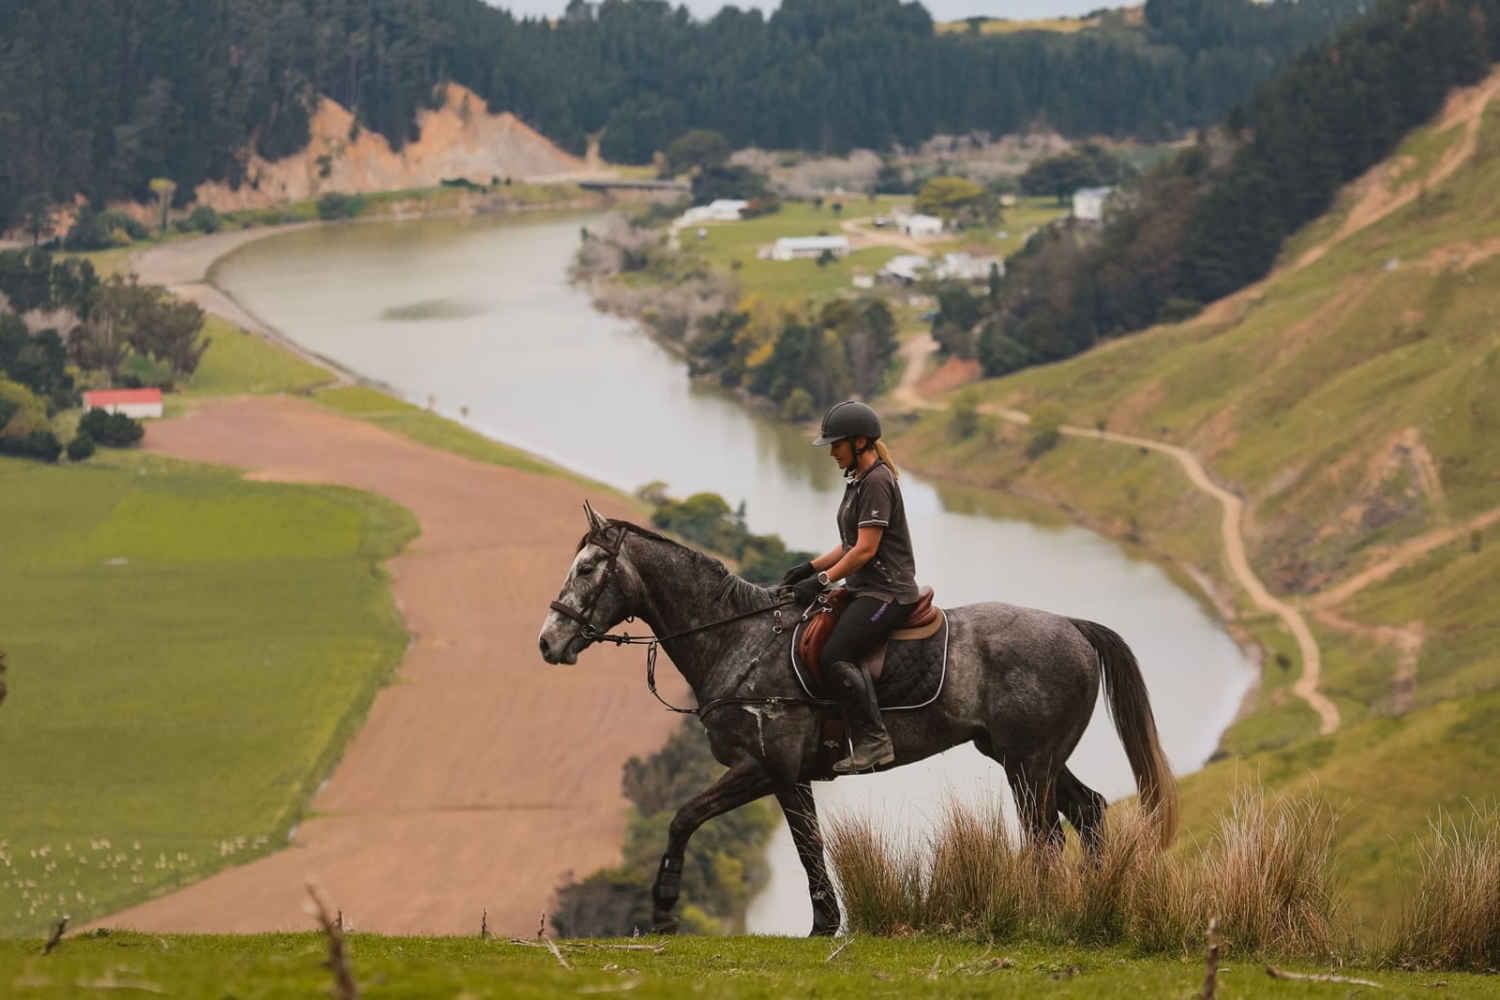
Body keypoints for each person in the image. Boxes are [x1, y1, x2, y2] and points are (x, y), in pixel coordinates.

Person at [782, 400, 921, 773]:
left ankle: (874, 740)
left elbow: (865, 551)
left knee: (834, 654)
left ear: (859, 442)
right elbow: (848, 545)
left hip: (887, 594)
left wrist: (823, 581)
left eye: (836, 444)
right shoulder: (858, 480)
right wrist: (809, 567)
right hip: (865, 589)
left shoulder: (876, 481)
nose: (831, 452)